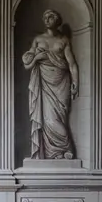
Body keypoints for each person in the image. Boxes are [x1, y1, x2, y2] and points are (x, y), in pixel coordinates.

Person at [22, 10, 79, 160]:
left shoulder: (64, 40)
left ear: (58, 20)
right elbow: (27, 63)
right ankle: (57, 152)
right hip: (44, 82)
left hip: (62, 81)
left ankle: (63, 150)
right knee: (49, 119)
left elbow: (72, 64)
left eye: (51, 16)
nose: (47, 19)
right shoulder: (38, 39)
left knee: (60, 117)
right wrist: (36, 59)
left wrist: (76, 83)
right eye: (45, 17)